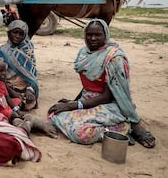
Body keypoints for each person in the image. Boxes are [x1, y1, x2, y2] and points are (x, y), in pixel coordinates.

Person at [47, 19, 156, 148]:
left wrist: (74, 105)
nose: (92, 38)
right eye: (89, 34)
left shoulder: (113, 58)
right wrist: (73, 102)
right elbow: (88, 85)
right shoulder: (84, 53)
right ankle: (116, 126)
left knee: (80, 133)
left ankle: (123, 129)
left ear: (106, 35)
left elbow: (107, 96)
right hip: (88, 101)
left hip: (110, 104)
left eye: (98, 35)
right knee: (54, 114)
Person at [0, 20, 38, 111]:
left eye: (21, 34)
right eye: (15, 32)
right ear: (9, 33)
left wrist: (30, 90)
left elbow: (32, 76)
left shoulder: (28, 51)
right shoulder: (1, 51)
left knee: (29, 101)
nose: (17, 36)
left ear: (25, 36)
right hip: (7, 86)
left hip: (24, 88)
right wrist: (12, 92)